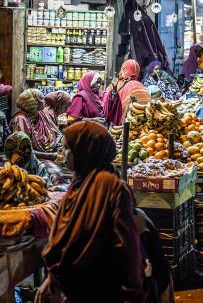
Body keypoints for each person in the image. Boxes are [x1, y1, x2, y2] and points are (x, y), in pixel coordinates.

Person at [36, 121, 146, 303]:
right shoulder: (78, 184)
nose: (62, 155)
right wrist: (52, 278)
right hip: (75, 288)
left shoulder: (111, 188)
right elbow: (64, 239)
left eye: (66, 149)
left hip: (102, 289)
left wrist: (131, 293)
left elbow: (127, 248)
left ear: (84, 151)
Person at [10, 89, 62, 160]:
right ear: (33, 102)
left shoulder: (42, 114)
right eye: (41, 99)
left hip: (50, 154)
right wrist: (52, 156)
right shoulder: (21, 119)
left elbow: (58, 134)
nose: (44, 101)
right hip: (31, 159)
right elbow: (24, 150)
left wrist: (58, 148)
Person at [103, 59, 151, 126]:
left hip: (118, 126)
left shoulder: (116, 85)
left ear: (123, 69)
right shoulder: (142, 87)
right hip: (140, 127)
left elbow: (105, 107)